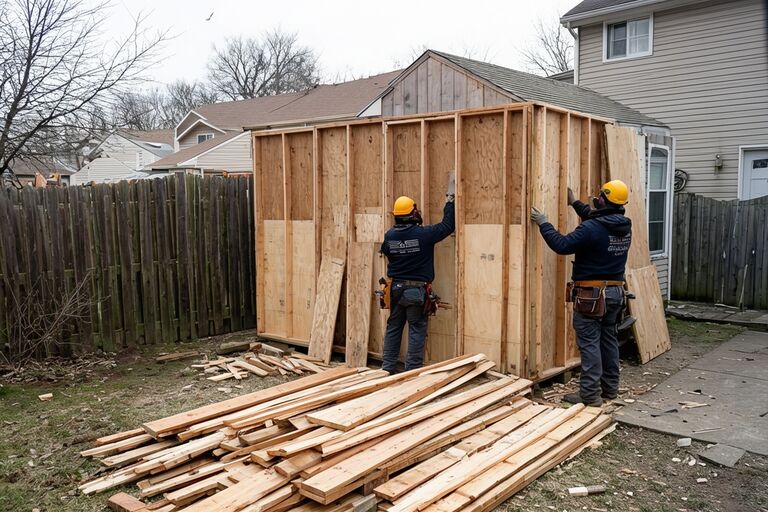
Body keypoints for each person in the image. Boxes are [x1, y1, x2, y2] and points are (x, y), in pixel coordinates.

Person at [530, 180, 632, 406]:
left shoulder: (592, 228)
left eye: (599, 196)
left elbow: (563, 245)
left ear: (603, 199)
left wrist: (544, 223)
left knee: (590, 345)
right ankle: (610, 389)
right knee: (608, 342)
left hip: (592, 297)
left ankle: (590, 396)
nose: (596, 198)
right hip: (615, 293)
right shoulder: (623, 226)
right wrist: (574, 202)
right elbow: (595, 218)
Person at [380, 173, 456, 373]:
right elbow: (448, 226)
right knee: (416, 329)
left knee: (394, 327)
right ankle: (412, 371)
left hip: (395, 288)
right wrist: (450, 201)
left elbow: (386, 251)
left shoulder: (390, 235)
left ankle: (386, 369)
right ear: (413, 213)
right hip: (416, 291)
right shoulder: (423, 235)